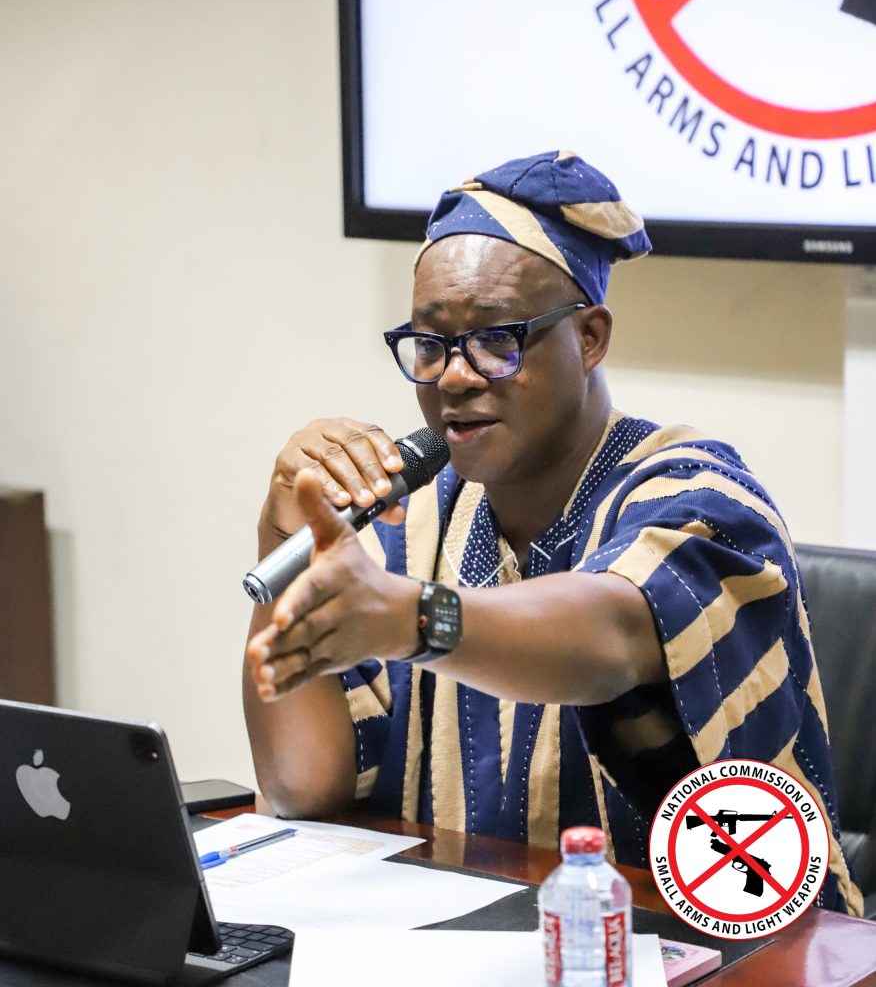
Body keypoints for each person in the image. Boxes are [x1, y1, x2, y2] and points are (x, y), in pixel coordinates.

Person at [243, 150, 861, 916]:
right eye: (431, 344)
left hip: (737, 949)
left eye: (497, 338)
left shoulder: (699, 495)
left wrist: (412, 618)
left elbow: (610, 636)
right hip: (483, 942)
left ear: (590, 337)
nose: (455, 376)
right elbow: (299, 786)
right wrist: (282, 545)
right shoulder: (412, 519)